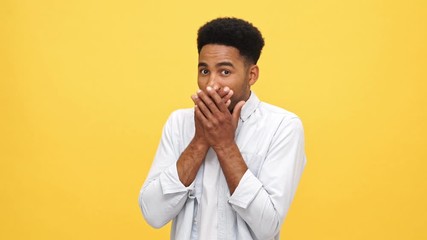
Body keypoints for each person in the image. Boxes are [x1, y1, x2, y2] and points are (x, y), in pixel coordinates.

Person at [139, 17, 306, 240]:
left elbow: (267, 227)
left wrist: (225, 144)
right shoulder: (179, 123)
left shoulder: (282, 127)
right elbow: (153, 214)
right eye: (204, 71)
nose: (211, 85)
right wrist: (200, 141)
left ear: (252, 75)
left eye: (225, 72)